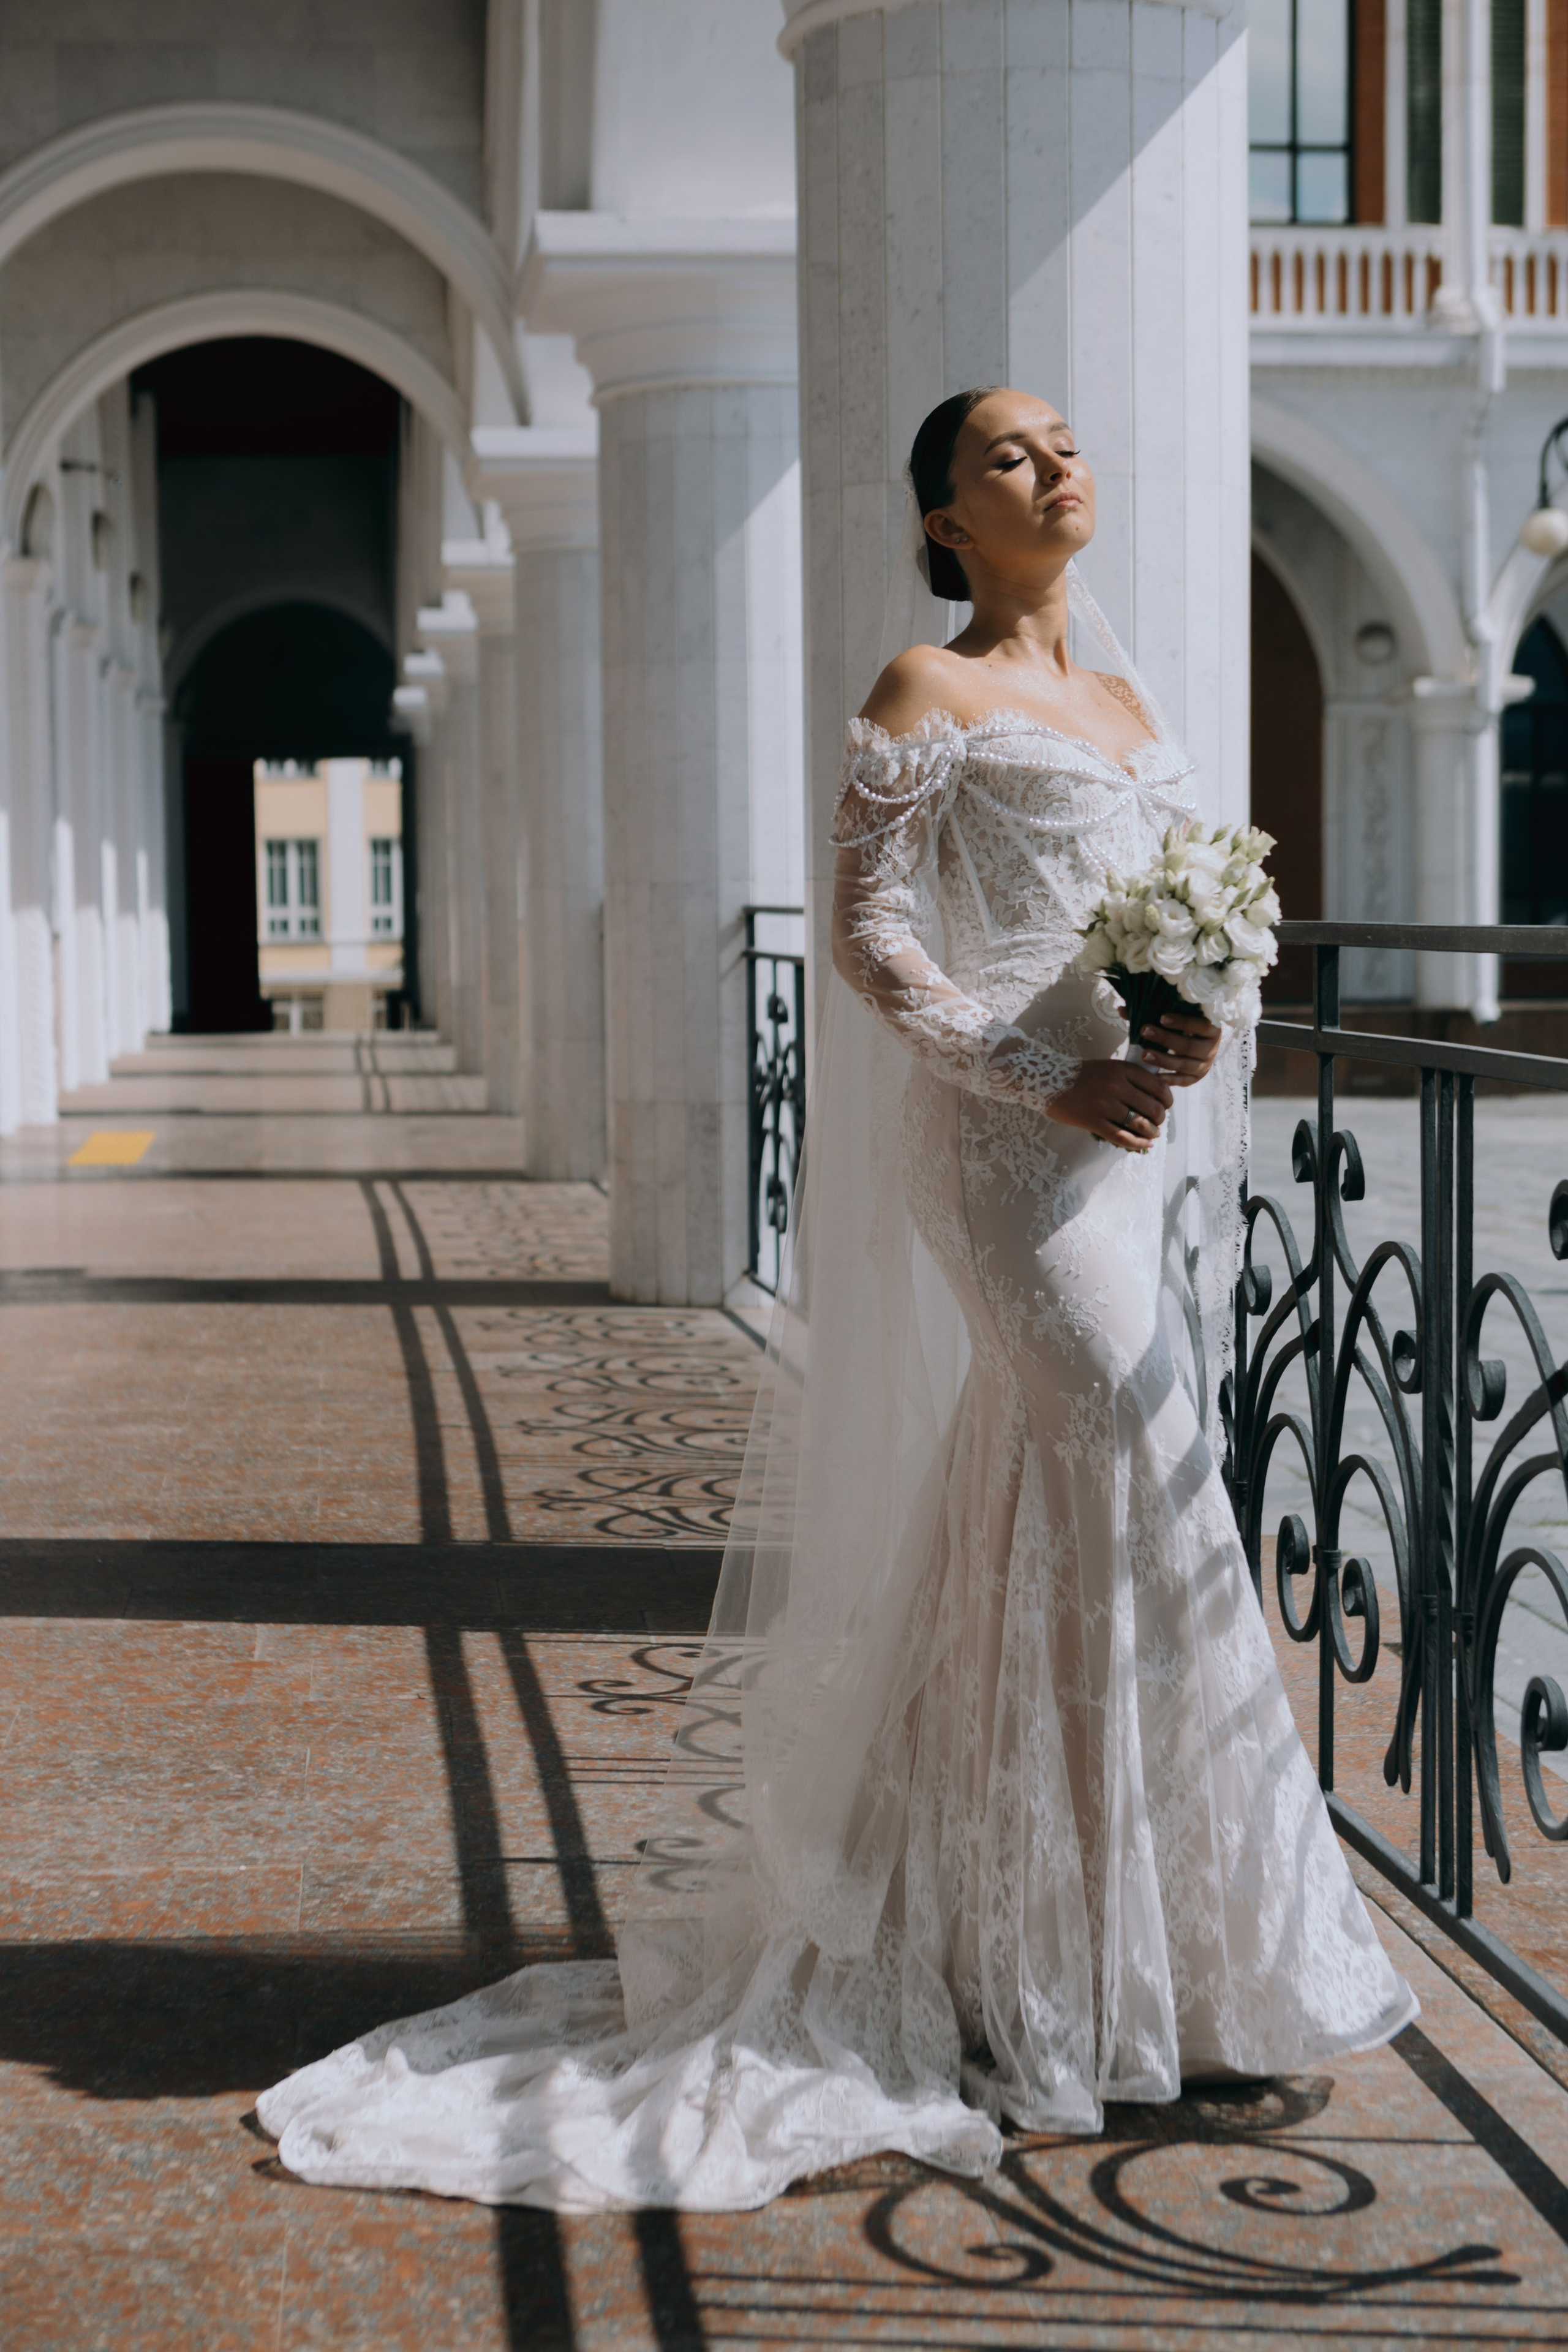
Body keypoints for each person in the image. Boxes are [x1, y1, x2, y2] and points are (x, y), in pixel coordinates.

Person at [257, 386, 1414, 2213]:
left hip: (1124, 1138)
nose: (1054, 467)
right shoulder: (920, 688)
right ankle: (1062, 1964)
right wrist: (1047, 1081)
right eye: (1007, 457)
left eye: (1066, 441)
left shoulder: (1126, 702)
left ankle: (1106, 1945)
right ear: (945, 522)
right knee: (1127, 1468)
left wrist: (1193, 1023)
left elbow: (1185, 910)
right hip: (1011, 1161)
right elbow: (871, 941)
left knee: (1065, 1505)